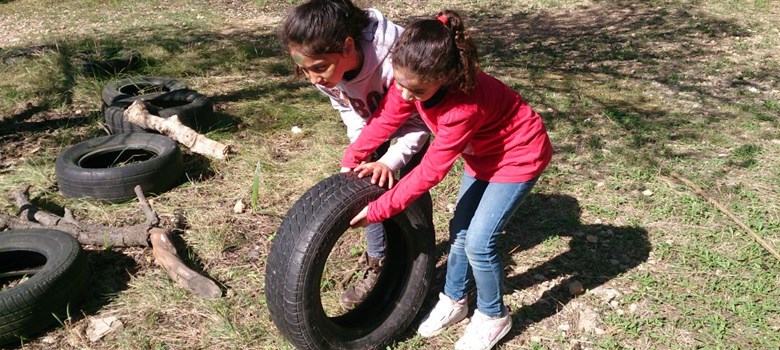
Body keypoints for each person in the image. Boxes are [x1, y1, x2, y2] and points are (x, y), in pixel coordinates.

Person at [342, 10, 553, 350]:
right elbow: (384, 121)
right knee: (460, 231)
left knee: (479, 244)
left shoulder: (460, 108)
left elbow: (430, 171)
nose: (407, 96)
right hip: (483, 156)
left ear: (445, 77)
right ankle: (455, 299)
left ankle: (493, 315)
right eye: (401, 83)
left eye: (418, 90)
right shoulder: (411, 81)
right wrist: (353, 158)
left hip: (519, 156)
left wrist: (380, 209)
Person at [279, 0, 430, 310]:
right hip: (371, 125)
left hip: (414, 124)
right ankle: (378, 261)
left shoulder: (398, 58)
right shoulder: (322, 67)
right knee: (363, 187)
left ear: (348, 47)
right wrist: (362, 146)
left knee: (411, 190)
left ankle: (420, 261)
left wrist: (390, 159)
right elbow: (345, 106)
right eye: (304, 70)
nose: (312, 79)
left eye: (319, 68)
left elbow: (420, 121)